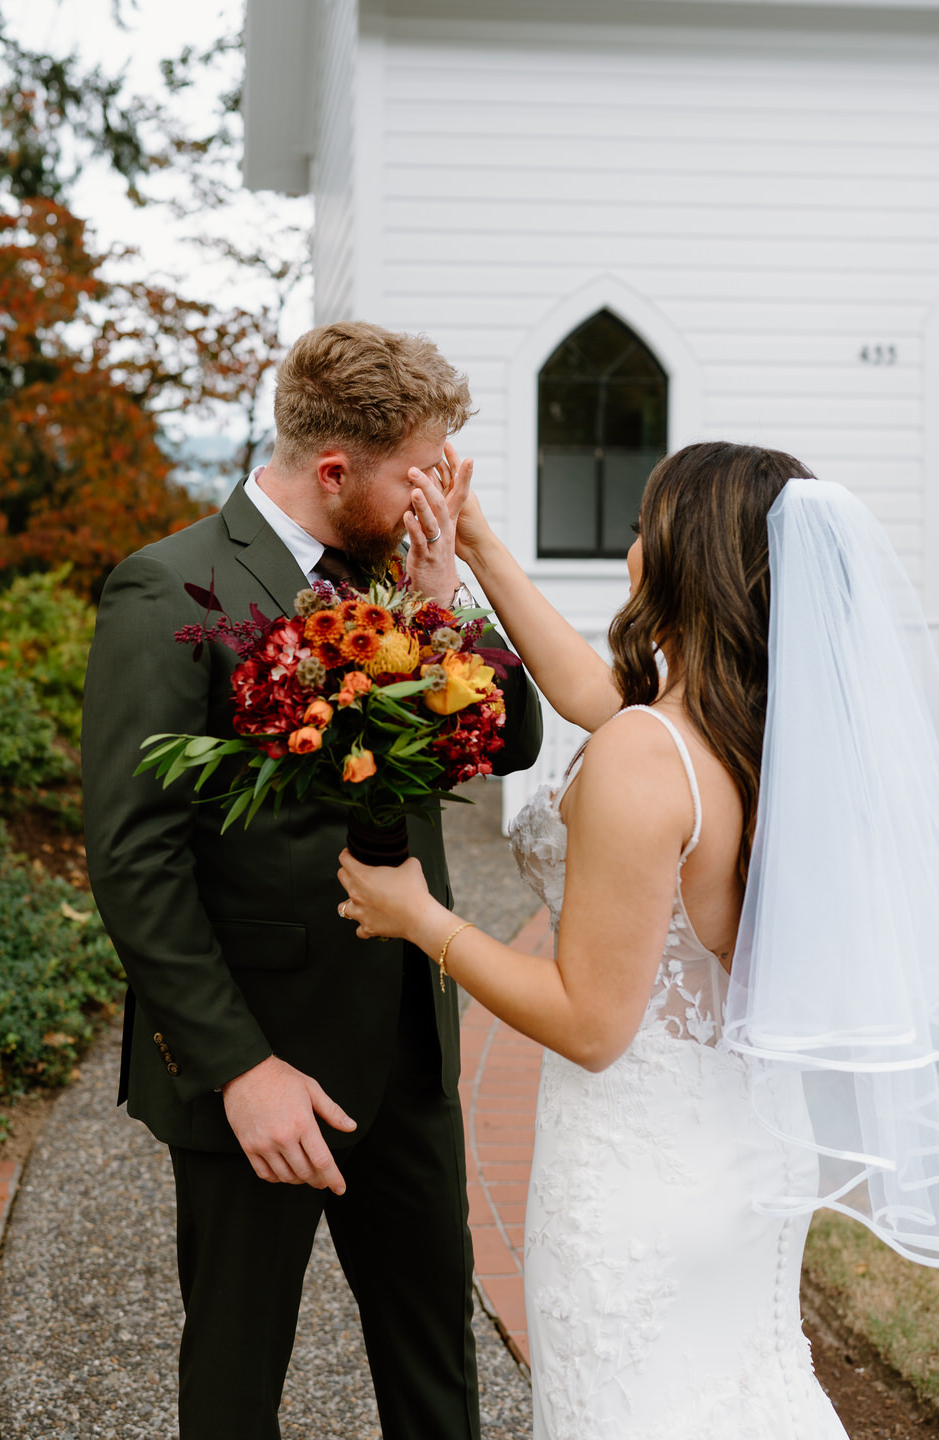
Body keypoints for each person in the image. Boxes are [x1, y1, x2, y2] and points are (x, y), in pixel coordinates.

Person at [339, 439, 939, 1438]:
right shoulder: (754, 738)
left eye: (641, 527)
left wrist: (423, 919)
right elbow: (593, 693)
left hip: (636, 1184)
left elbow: (590, 1023)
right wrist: (478, 544)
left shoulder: (645, 757)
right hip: (741, 1162)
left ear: (682, 555)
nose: (628, 548)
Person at [80, 320, 543, 1440]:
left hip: (407, 1052)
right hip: (263, 1068)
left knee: (439, 1374)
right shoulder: (169, 590)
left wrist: (447, 600)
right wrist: (239, 1071)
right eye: (422, 474)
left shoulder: (405, 578)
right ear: (336, 471)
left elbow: (514, 738)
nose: (442, 494)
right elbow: (134, 857)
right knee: (236, 1384)